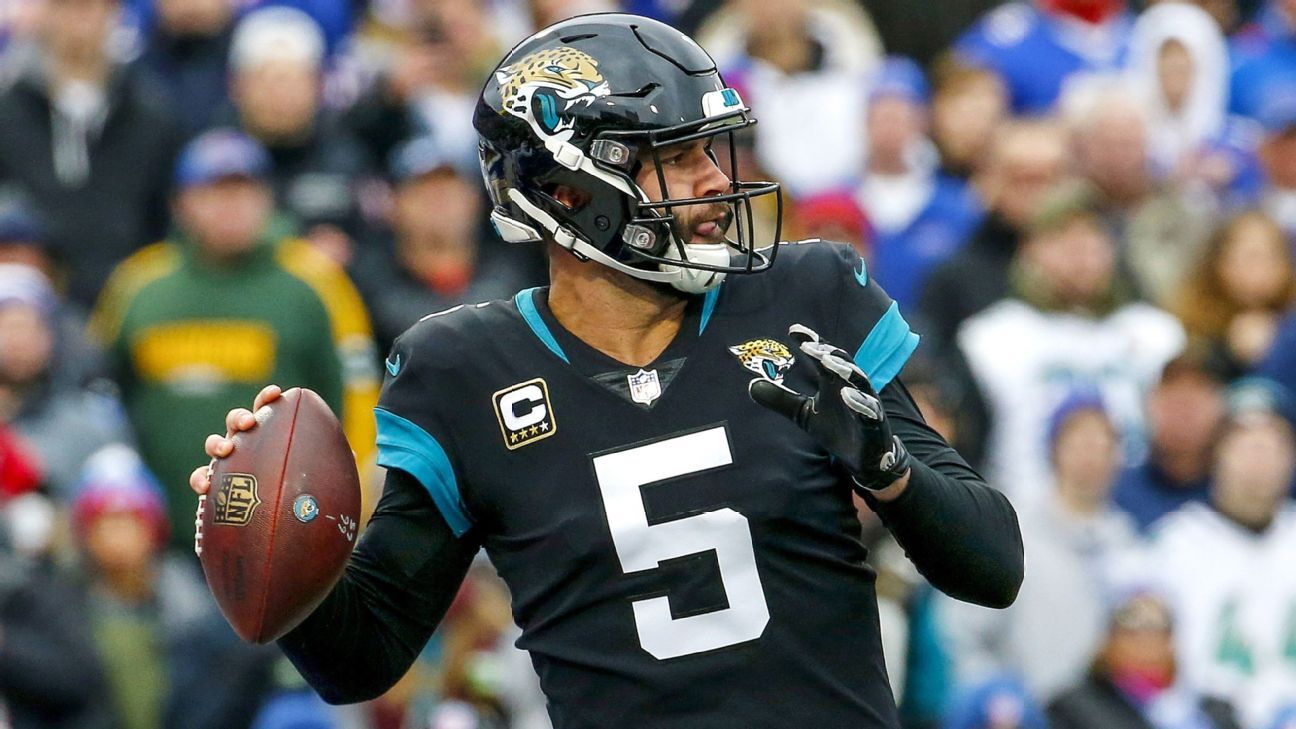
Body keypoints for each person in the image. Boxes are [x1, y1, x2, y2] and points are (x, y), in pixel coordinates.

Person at [191, 15, 1024, 729]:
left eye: (716, 148)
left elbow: (993, 564)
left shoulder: (804, 295)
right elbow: (360, 660)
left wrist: (892, 473)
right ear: (567, 190)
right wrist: (264, 542)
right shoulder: (464, 373)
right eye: (677, 155)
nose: (715, 180)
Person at [92, 129, 378, 551]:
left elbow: (355, 399)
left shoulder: (313, 283)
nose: (231, 207)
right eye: (214, 192)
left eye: (243, 191)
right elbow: (100, 397)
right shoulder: (138, 286)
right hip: (154, 543)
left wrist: (345, 507)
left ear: (267, 198)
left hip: (279, 536)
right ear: (180, 203)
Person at [957, 182, 1184, 501]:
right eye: (1063, 238)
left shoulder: (1154, 334)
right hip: (1025, 522)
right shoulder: (991, 338)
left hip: (1136, 522)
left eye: (1093, 237)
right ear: (1030, 249)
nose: (1081, 252)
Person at [940, 392, 1139, 702]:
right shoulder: (1010, 530)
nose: (1092, 456)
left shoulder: (1128, 544)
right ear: (1055, 448)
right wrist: (996, 698)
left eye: (1104, 445)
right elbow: (962, 635)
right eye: (1081, 443)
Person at [0, 0, 182, 307]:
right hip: (25, 308)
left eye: (93, 7)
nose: (80, 19)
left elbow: (164, 219)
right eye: (67, 6)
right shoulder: (8, 113)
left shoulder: (151, 114)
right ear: (45, 13)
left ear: (116, 15)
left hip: (128, 296)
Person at [1144, 378, 1296, 728]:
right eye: (1246, 445)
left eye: (1273, 445)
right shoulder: (1172, 546)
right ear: (1217, 453)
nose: (1260, 459)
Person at [1047, 590, 1242, 729]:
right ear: (1109, 641)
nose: (1145, 641)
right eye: (1132, 630)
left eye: (1157, 628)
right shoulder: (1075, 708)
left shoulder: (1214, 710)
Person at [1172, 210, 1296, 381]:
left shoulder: (1290, 321)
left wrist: (1278, 346)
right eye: (1251, 256)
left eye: (1272, 256)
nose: (1260, 268)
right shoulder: (1187, 323)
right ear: (1219, 262)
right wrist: (1229, 353)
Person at [1112, 353, 1225, 533]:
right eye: (1172, 398)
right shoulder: (1114, 493)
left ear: (1218, 407)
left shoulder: (1238, 496)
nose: (1182, 412)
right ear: (1148, 406)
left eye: (1193, 400)